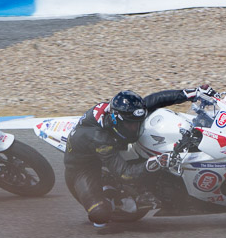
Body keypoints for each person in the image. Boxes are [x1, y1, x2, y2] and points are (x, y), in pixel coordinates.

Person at [64, 85, 215, 227]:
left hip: (107, 145)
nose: (135, 128)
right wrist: (156, 162)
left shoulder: (123, 111)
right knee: (100, 214)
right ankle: (109, 193)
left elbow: (155, 100)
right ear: (117, 121)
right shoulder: (100, 139)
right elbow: (124, 173)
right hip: (83, 168)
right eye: (131, 125)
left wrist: (191, 93)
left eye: (138, 123)